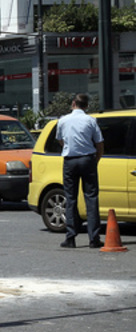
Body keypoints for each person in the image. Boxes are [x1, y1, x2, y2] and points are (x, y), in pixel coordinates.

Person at [55, 93, 105, 248]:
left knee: (70, 199)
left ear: (73, 103)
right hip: (87, 159)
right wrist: (95, 160)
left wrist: (69, 148)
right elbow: (100, 144)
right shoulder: (90, 120)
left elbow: (60, 139)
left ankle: (70, 237)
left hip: (70, 161)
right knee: (91, 198)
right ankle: (93, 238)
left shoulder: (63, 120)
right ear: (87, 106)